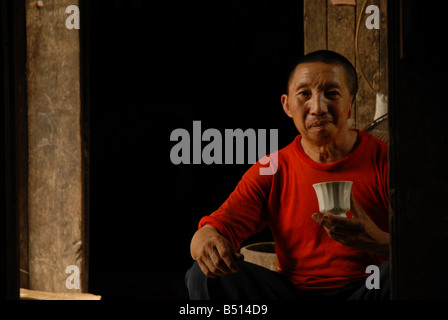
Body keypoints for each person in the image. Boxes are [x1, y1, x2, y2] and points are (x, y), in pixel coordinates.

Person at [185, 50, 390, 300]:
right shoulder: (272, 167)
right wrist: (206, 241)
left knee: (398, 271)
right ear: (287, 105)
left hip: (368, 290)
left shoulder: (387, 160)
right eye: (304, 94)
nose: (317, 107)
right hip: (293, 295)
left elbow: (430, 248)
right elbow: (211, 230)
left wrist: (377, 240)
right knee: (204, 275)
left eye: (332, 94)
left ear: (350, 104)